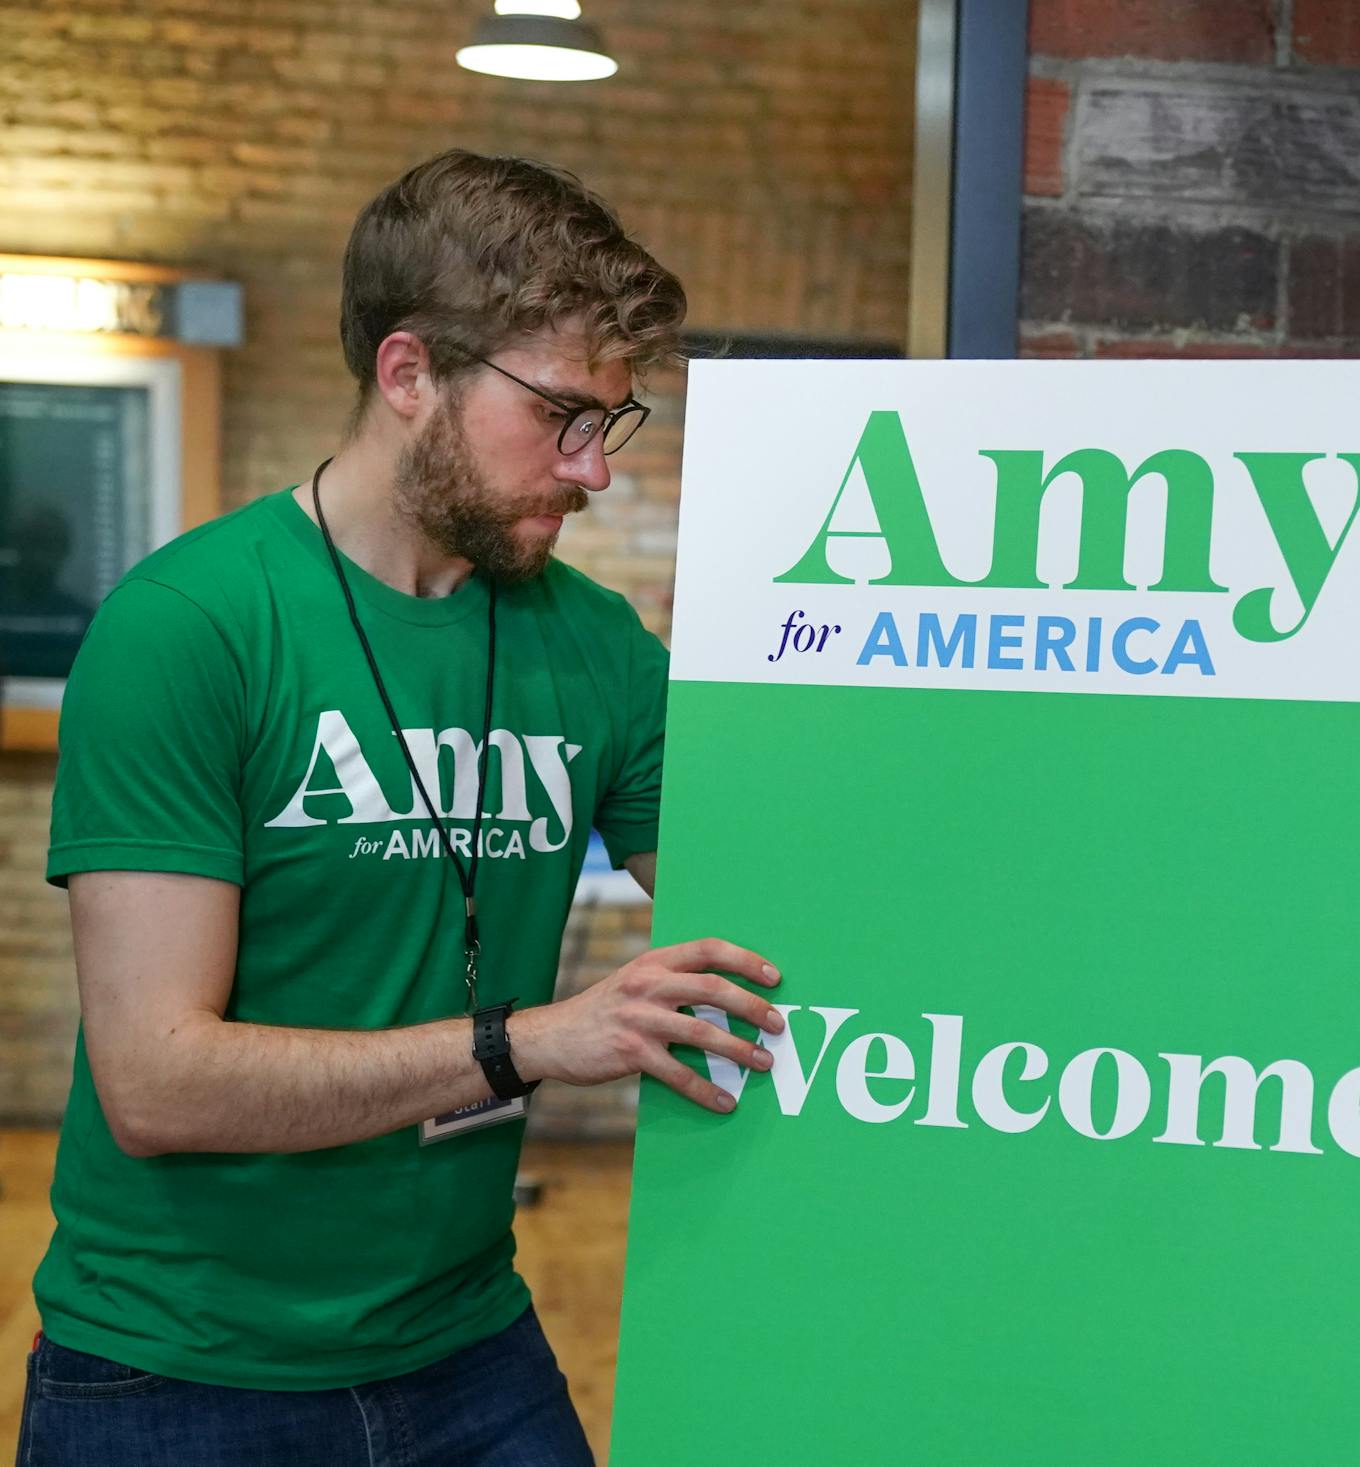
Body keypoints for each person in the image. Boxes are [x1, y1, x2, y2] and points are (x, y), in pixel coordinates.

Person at [16, 150, 784, 1467]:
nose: (594, 469)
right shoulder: (192, 628)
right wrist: (531, 1042)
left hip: (469, 1345)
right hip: (177, 1370)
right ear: (410, 374)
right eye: (563, 417)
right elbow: (157, 1083)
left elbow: (779, 896)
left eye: (616, 420)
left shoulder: (595, 646)